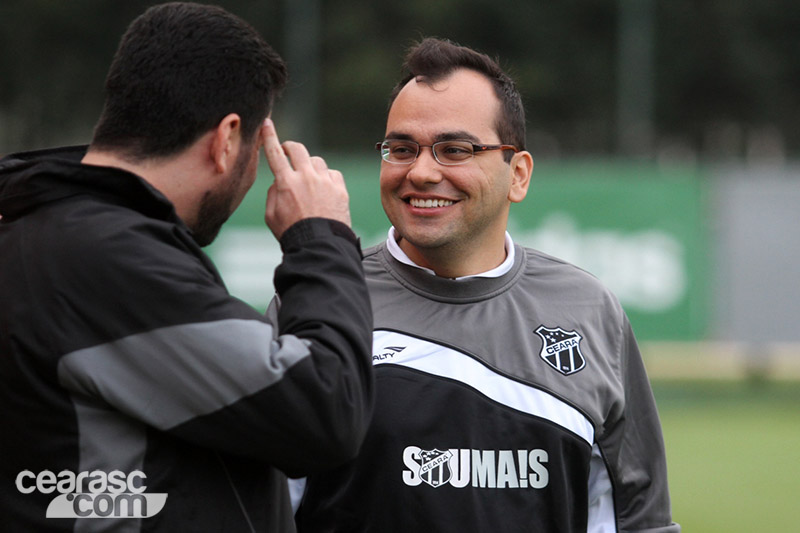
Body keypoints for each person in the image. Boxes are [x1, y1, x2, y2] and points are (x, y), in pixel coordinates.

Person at [0, 3, 373, 532]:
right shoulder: (100, 254)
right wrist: (321, 237)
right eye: (252, 151)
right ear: (226, 140)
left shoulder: (52, 226)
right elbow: (326, 408)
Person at [292, 37, 680, 532]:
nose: (422, 171)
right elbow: (256, 508)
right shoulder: (319, 302)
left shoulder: (590, 310)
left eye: (455, 149)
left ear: (517, 174)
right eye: (401, 148)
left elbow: (638, 519)